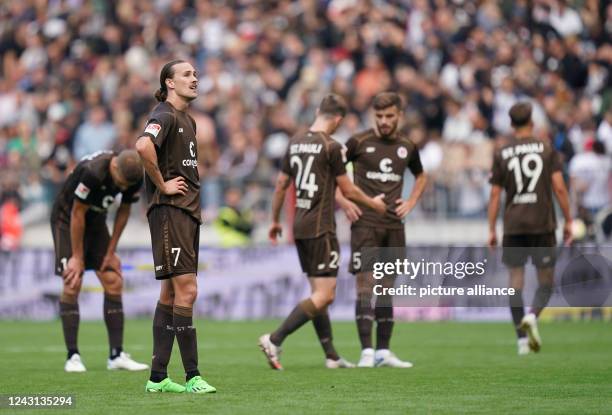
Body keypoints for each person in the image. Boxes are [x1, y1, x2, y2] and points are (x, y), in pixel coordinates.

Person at [258, 94, 387, 370]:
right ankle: (275, 338)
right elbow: (349, 189)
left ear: (318, 111)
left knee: (318, 292)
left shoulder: (294, 142)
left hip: (300, 226)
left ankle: (331, 356)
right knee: (325, 295)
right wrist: (372, 203)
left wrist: (275, 220)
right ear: (338, 120)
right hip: (321, 227)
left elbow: (281, 184)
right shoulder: (332, 146)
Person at [135, 60, 215, 394]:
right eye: (187, 75)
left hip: (185, 213)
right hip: (170, 211)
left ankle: (157, 378)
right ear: (169, 82)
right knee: (188, 290)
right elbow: (142, 145)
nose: (194, 79)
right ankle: (193, 375)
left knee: (170, 292)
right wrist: (163, 186)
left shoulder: (189, 120)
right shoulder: (165, 114)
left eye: (196, 74)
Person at [337, 92, 427, 368]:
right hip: (365, 224)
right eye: (379, 116)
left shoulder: (407, 146)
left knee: (387, 288)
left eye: (389, 116)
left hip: (393, 225)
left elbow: (421, 175)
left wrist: (411, 201)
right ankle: (366, 351)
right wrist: (343, 202)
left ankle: (383, 352)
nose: (384, 122)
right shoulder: (358, 142)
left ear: (400, 115)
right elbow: (330, 173)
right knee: (365, 286)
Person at [51, 149, 148, 373]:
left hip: (95, 222)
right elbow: (77, 214)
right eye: (120, 183)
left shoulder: (133, 173)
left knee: (114, 280)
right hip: (66, 220)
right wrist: (77, 257)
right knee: (72, 281)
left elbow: (124, 210)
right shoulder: (92, 172)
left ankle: (116, 355)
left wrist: (111, 251)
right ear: (114, 167)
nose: (122, 188)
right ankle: (72, 356)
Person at [488, 102, 572, 355]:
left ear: (511, 125)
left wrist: (491, 229)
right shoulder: (546, 149)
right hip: (542, 222)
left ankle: (521, 341)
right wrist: (569, 219)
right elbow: (558, 186)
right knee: (546, 282)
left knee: (516, 282)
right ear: (532, 123)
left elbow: (494, 195)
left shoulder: (502, 152)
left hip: (514, 224)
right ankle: (533, 316)